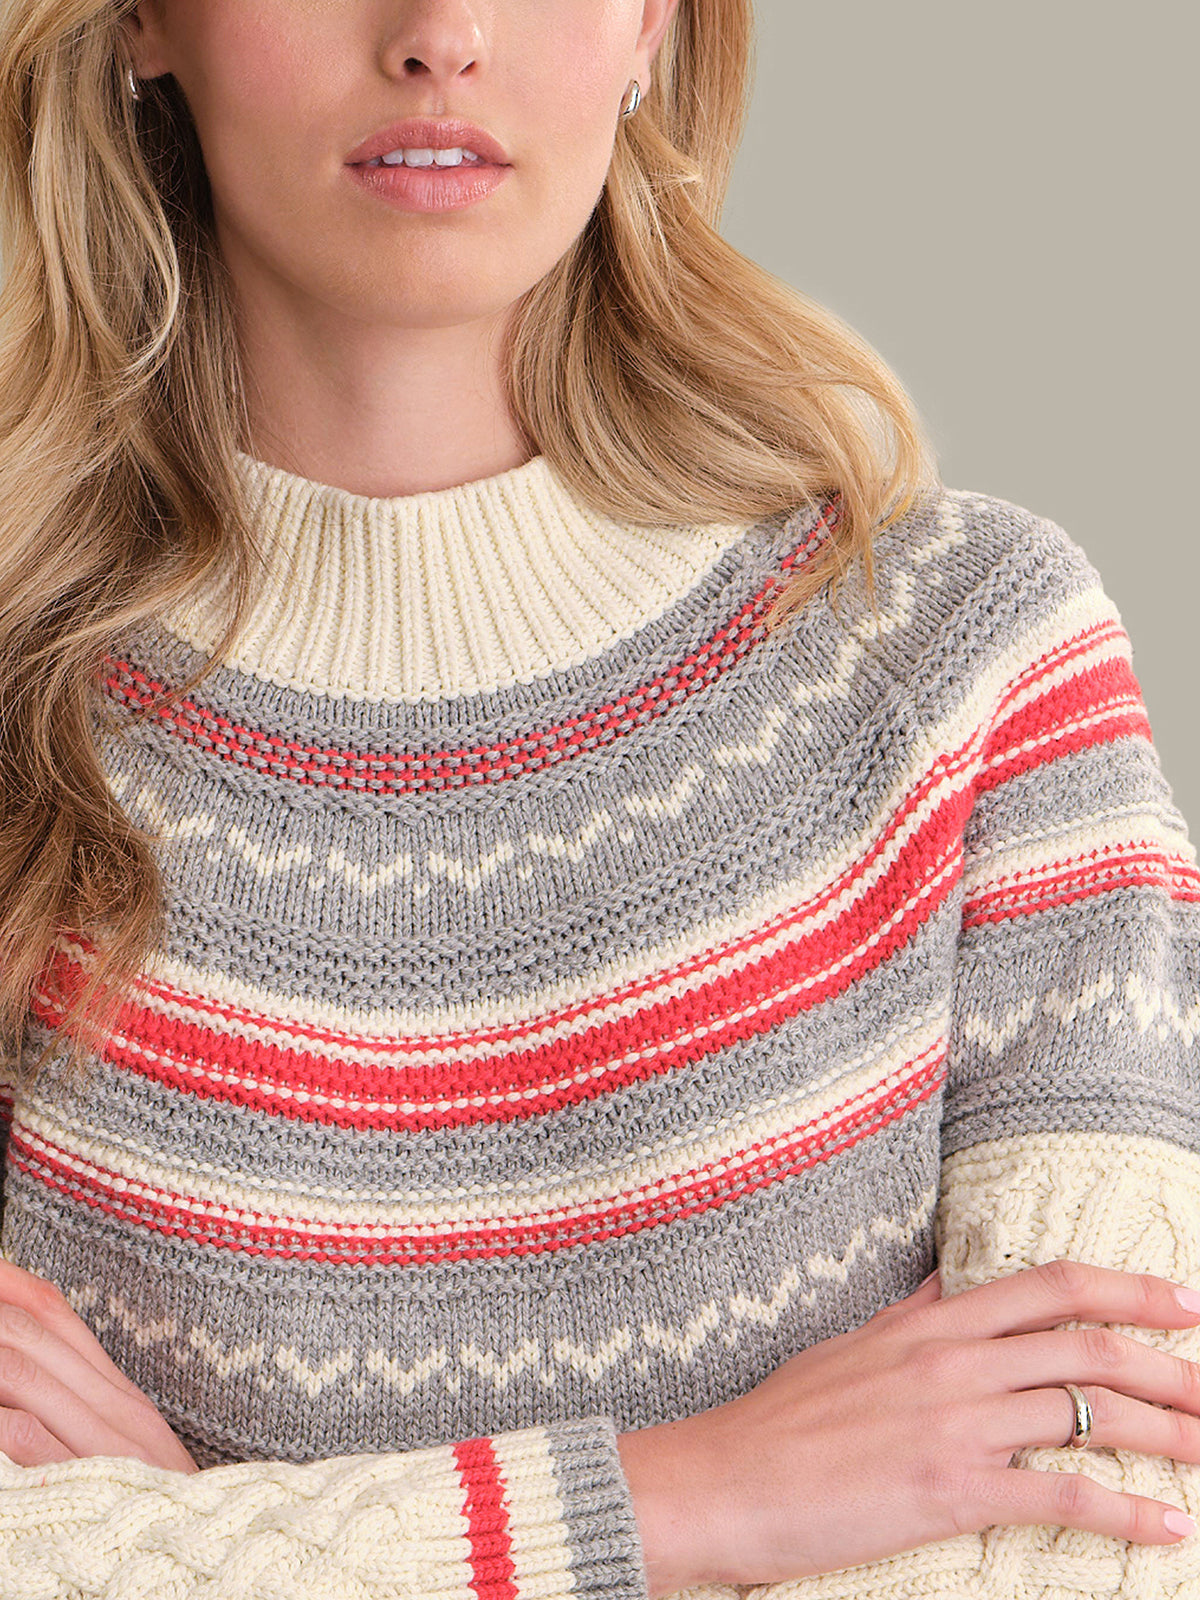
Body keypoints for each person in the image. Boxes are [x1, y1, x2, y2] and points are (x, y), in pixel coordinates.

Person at [0, 1, 1196, 1596]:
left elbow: (1106, 1546)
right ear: (147, 18)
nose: (440, 33)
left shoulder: (968, 660)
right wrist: (691, 1498)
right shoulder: (24, 734)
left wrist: (196, 1548)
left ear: (654, 28)